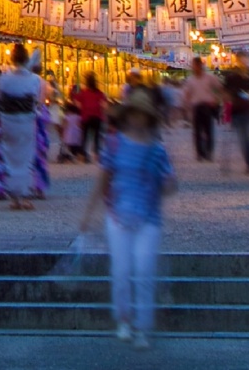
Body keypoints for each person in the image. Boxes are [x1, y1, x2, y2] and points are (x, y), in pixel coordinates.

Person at [81, 86, 175, 349]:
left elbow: (170, 183)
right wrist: (89, 213)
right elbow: (103, 179)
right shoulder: (114, 144)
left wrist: (167, 182)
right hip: (118, 214)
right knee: (121, 270)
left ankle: (142, 327)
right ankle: (124, 320)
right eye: (133, 113)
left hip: (148, 217)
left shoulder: (157, 150)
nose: (137, 119)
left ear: (148, 117)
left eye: (141, 114)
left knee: (144, 270)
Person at [0, 44, 45, 210]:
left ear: (12, 59)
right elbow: (39, 100)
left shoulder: (4, 78)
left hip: (8, 119)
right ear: (27, 59)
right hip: (26, 120)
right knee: (26, 157)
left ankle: (14, 197)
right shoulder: (35, 79)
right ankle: (24, 195)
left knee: (10, 156)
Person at [222, 57, 249, 175]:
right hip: (237, 109)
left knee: (248, 138)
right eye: (241, 60)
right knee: (243, 139)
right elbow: (226, 92)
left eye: (244, 60)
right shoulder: (231, 76)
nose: (243, 63)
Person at [183, 57, 222, 162]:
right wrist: (187, 107)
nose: (194, 67)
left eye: (195, 65)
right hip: (196, 107)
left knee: (209, 131)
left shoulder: (210, 78)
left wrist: (216, 100)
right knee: (197, 132)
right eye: (193, 65)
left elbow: (219, 89)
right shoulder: (190, 79)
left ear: (200, 65)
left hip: (207, 106)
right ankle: (200, 153)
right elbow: (186, 94)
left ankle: (209, 152)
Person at [72, 74, 108, 163]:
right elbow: (104, 105)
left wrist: (82, 107)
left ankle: (82, 156)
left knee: (84, 138)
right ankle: (97, 156)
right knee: (96, 138)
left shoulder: (84, 93)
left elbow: (76, 101)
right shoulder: (99, 93)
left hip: (86, 116)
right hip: (97, 116)